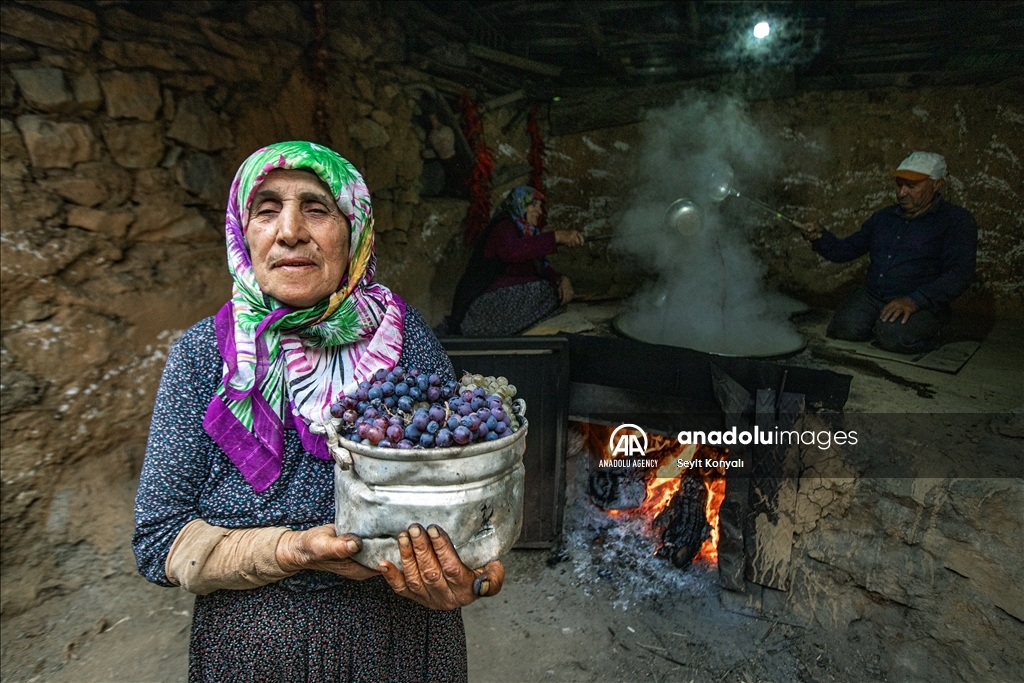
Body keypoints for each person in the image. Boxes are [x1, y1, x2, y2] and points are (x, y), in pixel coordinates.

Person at [132, 141, 504, 683]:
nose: (289, 231)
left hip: (403, 644)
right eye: (266, 209)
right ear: (243, 232)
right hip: (254, 652)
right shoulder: (202, 355)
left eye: (315, 207)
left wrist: (470, 570)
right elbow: (158, 539)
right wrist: (290, 551)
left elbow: (466, 491)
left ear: (352, 228)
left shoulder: (403, 337)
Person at [799, 151, 977, 353]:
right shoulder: (885, 217)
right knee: (843, 329)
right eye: (899, 185)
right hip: (874, 295)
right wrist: (821, 237)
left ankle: (930, 330)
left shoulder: (956, 221)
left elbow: (959, 274)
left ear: (936, 185)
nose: (901, 193)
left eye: (911, 186)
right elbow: (846, 250)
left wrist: (914, 300)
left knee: (893, 337)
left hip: (920, 303)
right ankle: (881, 322)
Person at [447, 186, 585, 336]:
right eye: (534, 205)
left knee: (557, 292)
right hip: (480, 307)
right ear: (520, 204)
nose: (539, 211)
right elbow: (513, 252)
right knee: (544, 291)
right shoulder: (503, 226)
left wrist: (561, 279)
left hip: (500, 305)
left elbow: (540, 267)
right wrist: (556, 237)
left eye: (540, 207)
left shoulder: (527, 233)